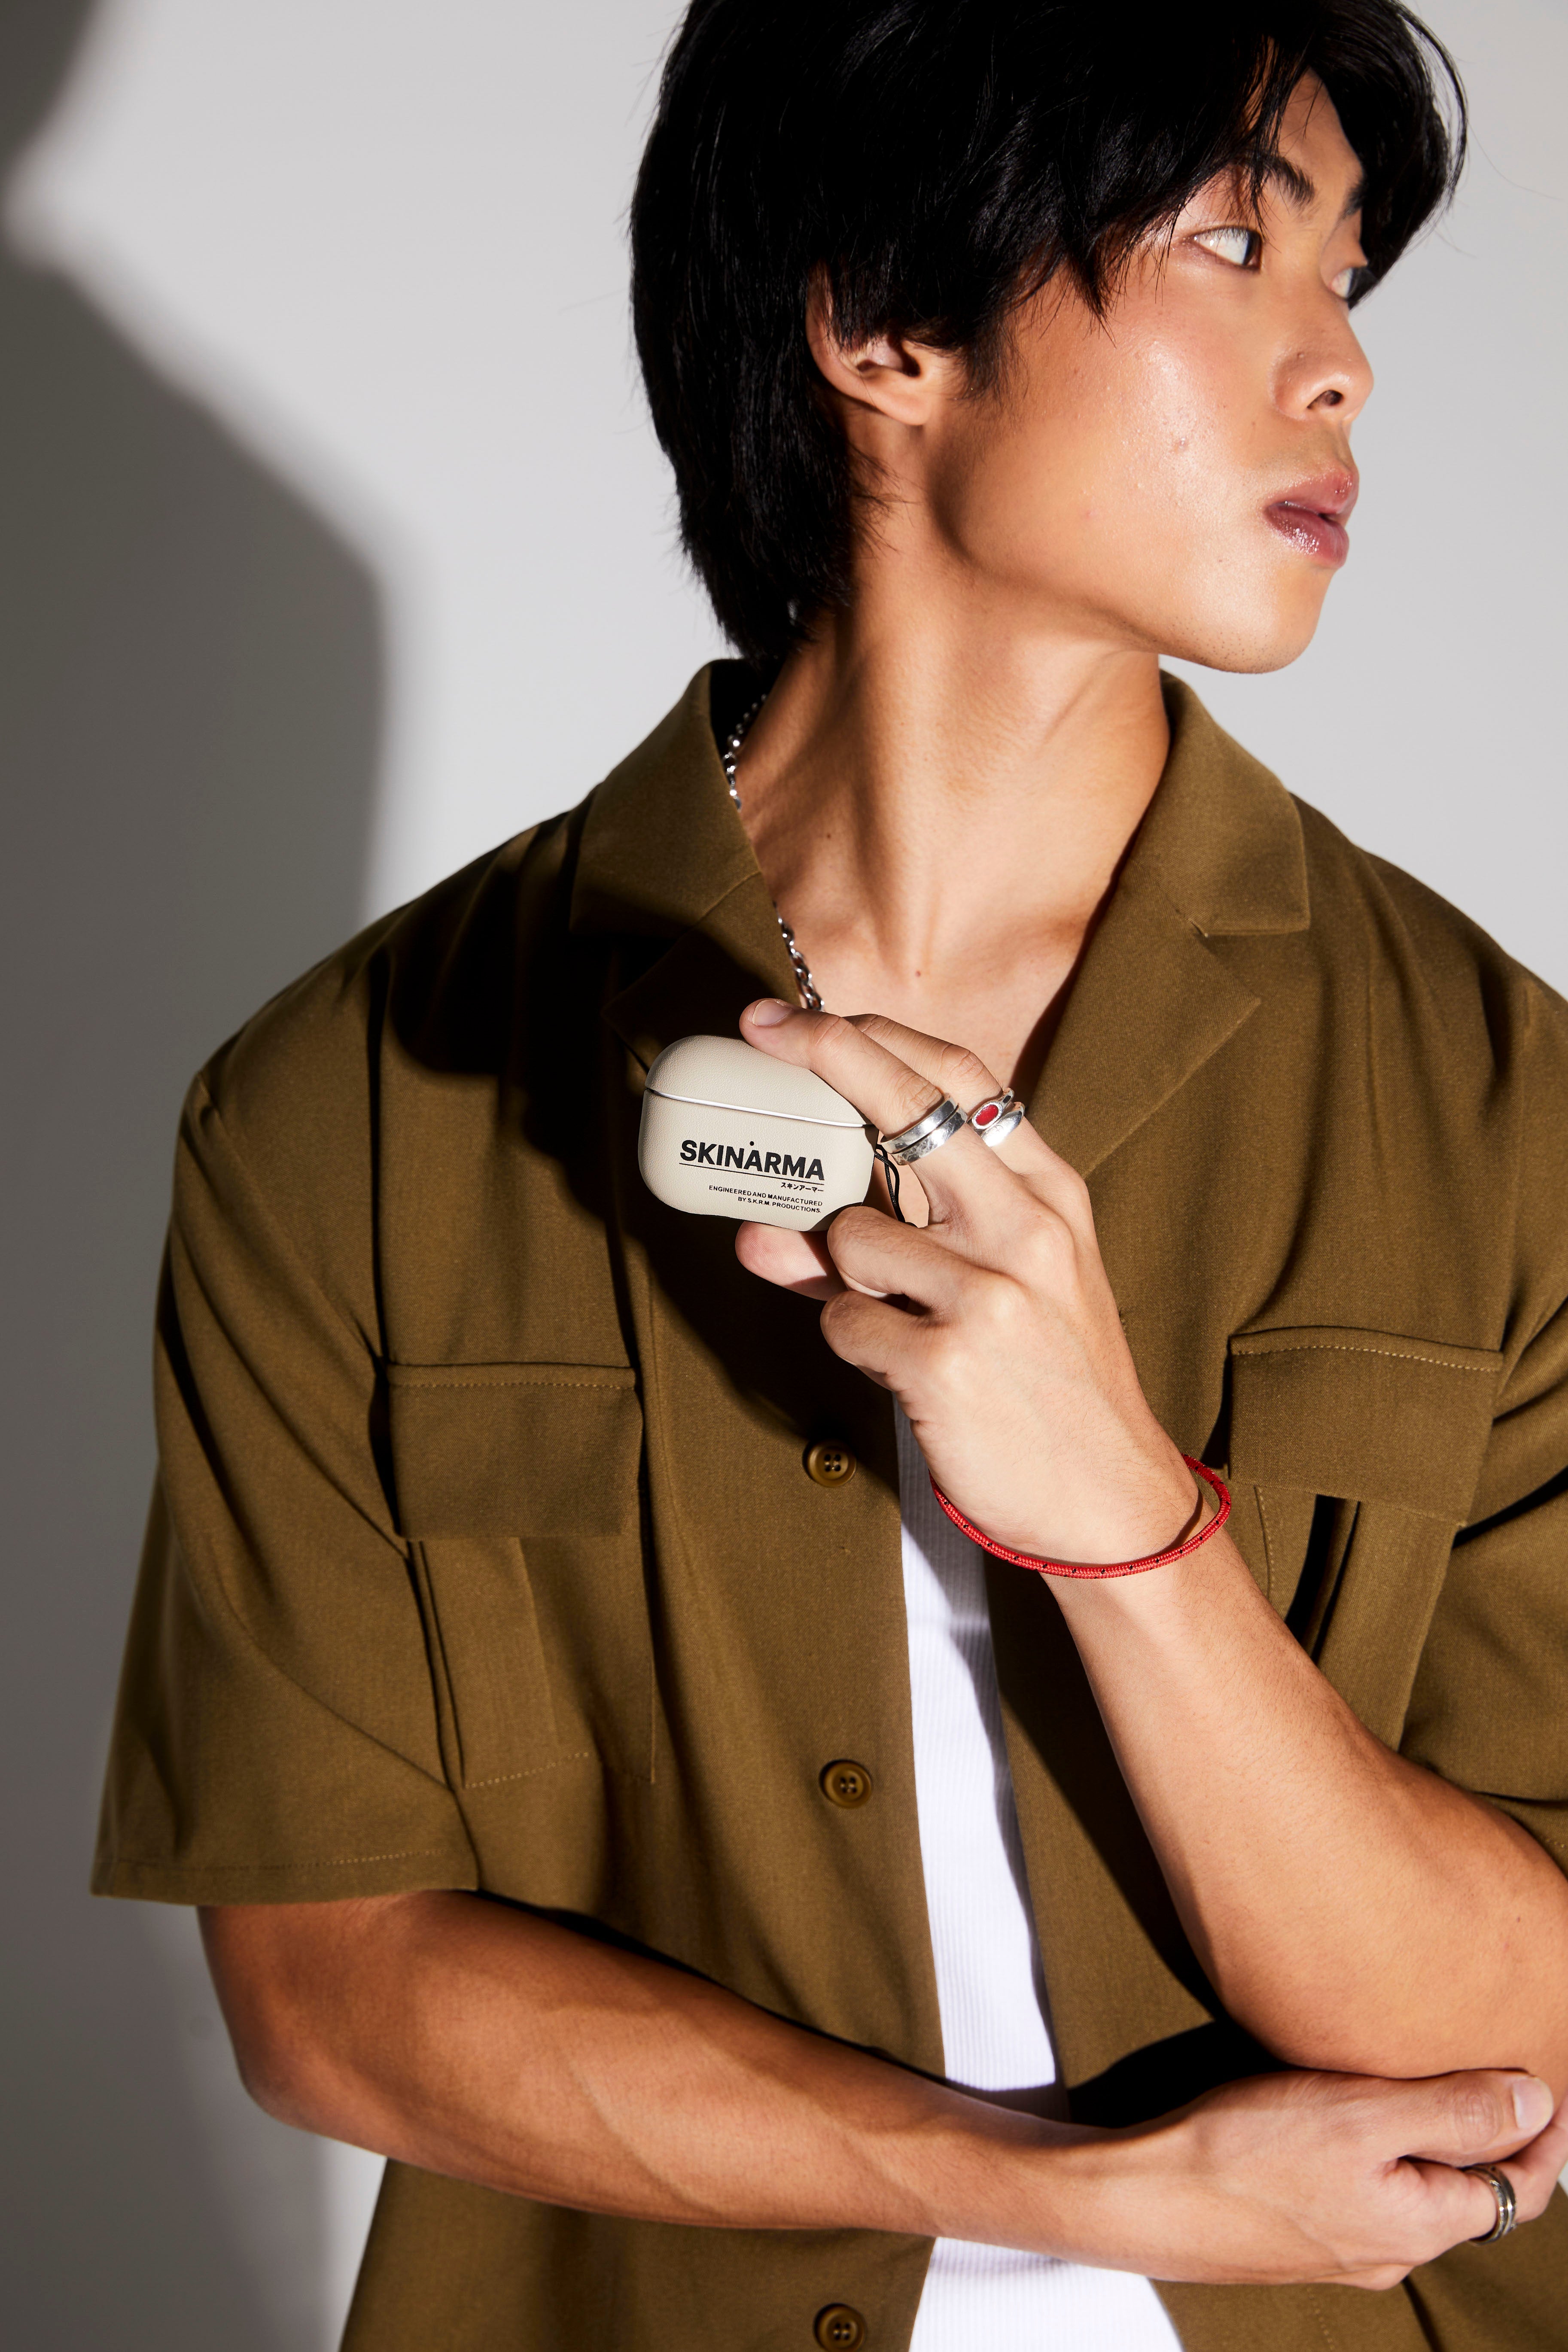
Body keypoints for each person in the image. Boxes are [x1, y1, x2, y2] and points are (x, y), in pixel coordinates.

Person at [94, 5, 1568, 2347]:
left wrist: (1121, 1518)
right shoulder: (343, 1109)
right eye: (1235, 243)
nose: (1343, 366)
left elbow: (1527, 2022)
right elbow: (329, 1989)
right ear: (886, 325)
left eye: (1348, 274)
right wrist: (1064, 2183)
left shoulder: (1502, 1107)